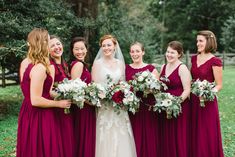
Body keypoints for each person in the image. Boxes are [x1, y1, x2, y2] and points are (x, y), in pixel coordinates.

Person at [16, 28, 71, 157]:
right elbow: (35, 99)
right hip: (39, 114)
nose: (50, 42)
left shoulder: (35, 63)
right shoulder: (39, 68)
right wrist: (59, 104)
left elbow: (46, 91)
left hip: (35, 112)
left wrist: (64, 94)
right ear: (41, 43)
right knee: (43, 148)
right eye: (47, 40)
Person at [92, 34, 137, 157]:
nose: (106, 48)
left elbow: (123, 84)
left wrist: (123, 93)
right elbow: (94, 86)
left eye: (109, 45)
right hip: (105, 107)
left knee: (121, 134)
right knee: (105, 135)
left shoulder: (120, 63)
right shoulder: (97, 64)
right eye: (104, 45)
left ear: (115, 46)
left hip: (119, 107)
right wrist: (104, 95)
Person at [190, 30, 224, 157]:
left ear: (208, 42)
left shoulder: (215, 61)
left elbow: (219, 85)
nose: (197, 43)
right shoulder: (194, 59)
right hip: (193, 101)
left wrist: (208, 92)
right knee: (195, 131)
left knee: (206, 132)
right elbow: (191, 79)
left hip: (207, 102)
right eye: (197, 41)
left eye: (200, 41)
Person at [125, 42, 159, 157]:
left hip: (148, 106)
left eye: (137, 51)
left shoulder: (151, 69)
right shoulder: (126, 69)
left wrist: (147, 89)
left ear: (143, 52)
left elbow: (157, 90)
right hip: (133, 108)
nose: (135, 54)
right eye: (132, 51)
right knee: (134, 135)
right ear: (130, 53)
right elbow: (123, 87)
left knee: (149, 135)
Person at [158, 41, 191, 157]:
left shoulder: (182, 68)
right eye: (167, 52)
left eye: (172, 52)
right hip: (164, 106)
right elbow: (159, 86)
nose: (169, 55)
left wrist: (175, 103)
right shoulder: (163, 67)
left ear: (179, 54)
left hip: (179, 107)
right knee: (166, 134)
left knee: (177, 135)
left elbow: (187, 90)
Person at [70, 37, 96, 157]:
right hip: (82, 108)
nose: (79, 52)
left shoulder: (82, 65)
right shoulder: (78, 65)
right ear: (72, 51)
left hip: (86, 107)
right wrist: (89, 102)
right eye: (76, 49)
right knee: (82, 137)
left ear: (86, 49)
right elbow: (74, 91)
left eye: (82, 48)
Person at [49, 35, 74, 157]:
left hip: (67, 109)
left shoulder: (65, 64)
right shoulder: (50, 65)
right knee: (61, 142)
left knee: (68, 140)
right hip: (57, 110)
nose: (57, 47)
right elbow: (49, 91)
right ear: (48, 50)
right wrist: (62, 96)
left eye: (58, 44)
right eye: (52, 45)